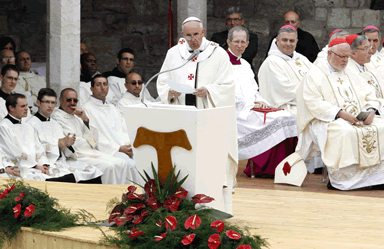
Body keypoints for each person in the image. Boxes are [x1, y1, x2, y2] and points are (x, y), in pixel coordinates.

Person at [157, 17, 237, 213]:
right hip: (182, 117)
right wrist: (170, 92)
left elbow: (228, 85)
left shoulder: (218, 54)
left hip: (208, 118)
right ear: (182, 35)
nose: (193, 40)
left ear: (203, 32)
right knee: (183, 160)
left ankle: (213, 206)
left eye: (196, 34)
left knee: (209, 163)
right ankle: (181, 206)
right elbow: (162, 80)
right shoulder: (174, 54)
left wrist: (208, 91)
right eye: (188, 35)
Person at [296, 38, 384, 190]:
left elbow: (370, 94)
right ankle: (343, 180)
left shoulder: (350, 71)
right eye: (341, 57)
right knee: (344, 131)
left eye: (347, 56)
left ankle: (376, 178)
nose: (345, 60)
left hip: (358, 118)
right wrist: (341, 114)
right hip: (327, 119)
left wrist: (370, 110)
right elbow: (313, 103)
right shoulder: (315, 74)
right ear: (330, 53)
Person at [227, 26, 298, 177]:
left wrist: (261, 102)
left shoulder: (245, 65)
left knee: (287, 116)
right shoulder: (222, 64)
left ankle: (280, 167)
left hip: (251, 107)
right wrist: (252, 105)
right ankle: (264, 167)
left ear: (247, 44)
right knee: (279, 119)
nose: (239, 45)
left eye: (243, 42)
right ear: (228, 42)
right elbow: (225, 93)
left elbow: (254, 90)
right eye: (236, 42)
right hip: (236, 112)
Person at [51, 88, 135, 184]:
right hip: (78, 155)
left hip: (90, 152)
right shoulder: (57, 117)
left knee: (122, 163)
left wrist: (85, 119)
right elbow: (73, 142)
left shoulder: (77, 116)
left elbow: (93, 139)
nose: (72, 103)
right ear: (60, 100)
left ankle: (125, 194)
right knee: (109, 166)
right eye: (69, 100)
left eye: (75, 100)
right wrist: (86, 142)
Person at [27, 88, 103, 183]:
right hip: (46, 164)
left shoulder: (55, 123)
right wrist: (59, 146)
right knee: (70, 177)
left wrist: (67, 144)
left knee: (93, 171)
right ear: (38, 103)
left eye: (53, 103)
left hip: (61, 161)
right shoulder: (30, 125)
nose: (50, 106)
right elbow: (33, 150)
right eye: (47, 102)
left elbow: (66, 151)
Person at [0, 94, 77, 182]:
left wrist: (43, 164)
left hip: (34, 165)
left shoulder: (27, 125)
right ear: (11, 108)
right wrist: (35, 166)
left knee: (67, 175)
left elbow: (37, 146)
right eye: (23, 106)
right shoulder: (4, 126)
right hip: (21, 167)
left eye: (26, 105)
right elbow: (15, 151)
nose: (27, 109)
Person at [82, 74, 138, 182]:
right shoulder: (87, 109)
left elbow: (124, 128)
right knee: (129, 165)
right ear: (91, 89)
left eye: (105, 84)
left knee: (142, 161)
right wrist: (118, 148)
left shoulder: (112, 108)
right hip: (108, 150)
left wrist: (128, 145)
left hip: (124, 148)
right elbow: (93, 134)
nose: (103, 87)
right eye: (98, 85)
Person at [258, 25, 313, 116]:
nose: (288, 44)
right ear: (277, 40)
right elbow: (287, 91)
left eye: (292, 41)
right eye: (284, 40)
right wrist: (314, 94)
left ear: (296, 42)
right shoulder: (271, 62)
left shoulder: (302, 59)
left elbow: (317, 78)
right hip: (286, 110)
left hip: (307, 104)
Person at [211, 6, 258, 71]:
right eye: (230, 20)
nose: (233, 23)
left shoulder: (251, 37)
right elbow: (215, 56)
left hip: (244, 70)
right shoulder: (217, 37)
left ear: (242, 21)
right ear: (226, 21)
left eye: (236, 19)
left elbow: (248, 55)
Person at [345, 34, 384, 103]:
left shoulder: (370, 65)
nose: (371, 51)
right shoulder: (348, 71)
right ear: (353, 53)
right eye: (366, 48)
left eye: (370, 47)